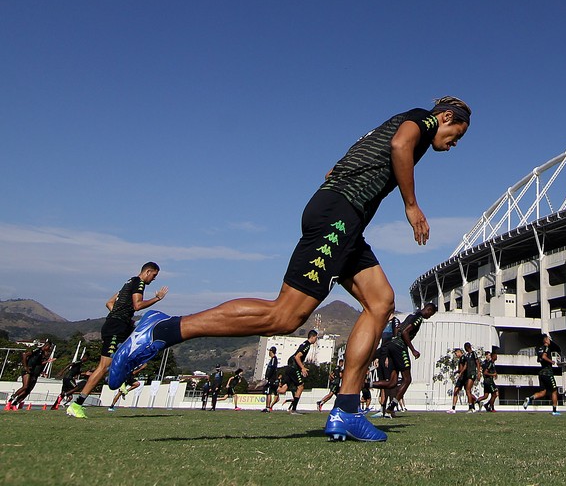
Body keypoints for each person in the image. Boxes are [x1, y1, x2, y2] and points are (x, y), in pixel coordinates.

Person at [109, 97, 471, 443]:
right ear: (446, 118)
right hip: (340, 214)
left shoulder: (386, 127)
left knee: (381, 302)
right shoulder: (422, 119)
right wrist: (411, 205)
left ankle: (346, 409)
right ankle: (163, 329)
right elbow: (399, 146)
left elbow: (336, 168)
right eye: (457, 136)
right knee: (285, 316)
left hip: (341, 215)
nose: (454, 145)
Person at [66, 262, 167, 418]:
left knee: (119, 359)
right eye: (154, 275)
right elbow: (138, 305)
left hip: (116, 325)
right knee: (103, 367)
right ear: (148, 271)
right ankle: (77, 404)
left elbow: (110, 303)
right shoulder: (139, 283)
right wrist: (157, 298)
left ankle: (122, 379)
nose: (153, 279)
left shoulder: (128, 282)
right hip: (115, 328)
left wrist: (123, 319)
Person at [372, 303, 437, 415]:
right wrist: (413, 350)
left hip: (392, 346)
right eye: (430, 315)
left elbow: (398, 328)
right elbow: (405, 332)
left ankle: (365, 385)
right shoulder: (418, 318)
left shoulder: (411, 316)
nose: (429, 316)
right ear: (428, 310)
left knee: (392, 382)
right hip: (400, 347)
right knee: (407, 380)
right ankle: (391, 407)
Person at [523, 334, 561, 415]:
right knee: (554, 391)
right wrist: (551, 361)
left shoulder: (540, 349)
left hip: (541, 373)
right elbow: (544, 357)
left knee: (543, 392)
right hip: (548, 372)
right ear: (546, 340)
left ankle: (529, 398)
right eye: (548, 338)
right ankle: (554, 411)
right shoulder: (546, 348)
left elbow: (539, 359)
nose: (549, 340)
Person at [8, 341, 53, 409]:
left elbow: (38, 363)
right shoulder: (37, 351)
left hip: (32, 372)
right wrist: (25, 366)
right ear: (46, 346)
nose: (50, 349)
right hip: (27, 370)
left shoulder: (41, 354)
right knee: (25, 387)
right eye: (49, 347)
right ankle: (12, 398)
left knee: (27, 390)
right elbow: (24, 355)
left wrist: (47, 362)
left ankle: (15, 404)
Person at [284, 330, 318, 414]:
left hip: (290, 366)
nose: (316, 340)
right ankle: (293, 409)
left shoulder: (304, 344)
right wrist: (302, 368)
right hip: (293, 367)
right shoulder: (307, 345)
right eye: (316, 338)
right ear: (312, 337)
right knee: (301, 386)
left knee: (283, 389)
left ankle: (292, 402)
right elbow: (297, 356)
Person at [447, 348, 467, 413]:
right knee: (456, 391)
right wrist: (456, 372)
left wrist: (461, 373)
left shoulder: (464, 357)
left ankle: (475, 402)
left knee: (468, 392)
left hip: (464, 377)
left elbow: (465, 366)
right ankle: (453, 408)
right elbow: (460, 368)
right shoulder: (460, 359)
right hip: (461, 377)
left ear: (459, 352)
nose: (455, 355)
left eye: (456, 354)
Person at [262, 347, 279, 412]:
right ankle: (269, 407)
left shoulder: (274, 359)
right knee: (275, 393)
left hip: (271, 379)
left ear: (271, 351)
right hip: (272, 378)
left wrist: (267, 377)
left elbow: (272, 369)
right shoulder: (273, 359)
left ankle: (268, 407)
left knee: (268, 393)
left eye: (269, 351)